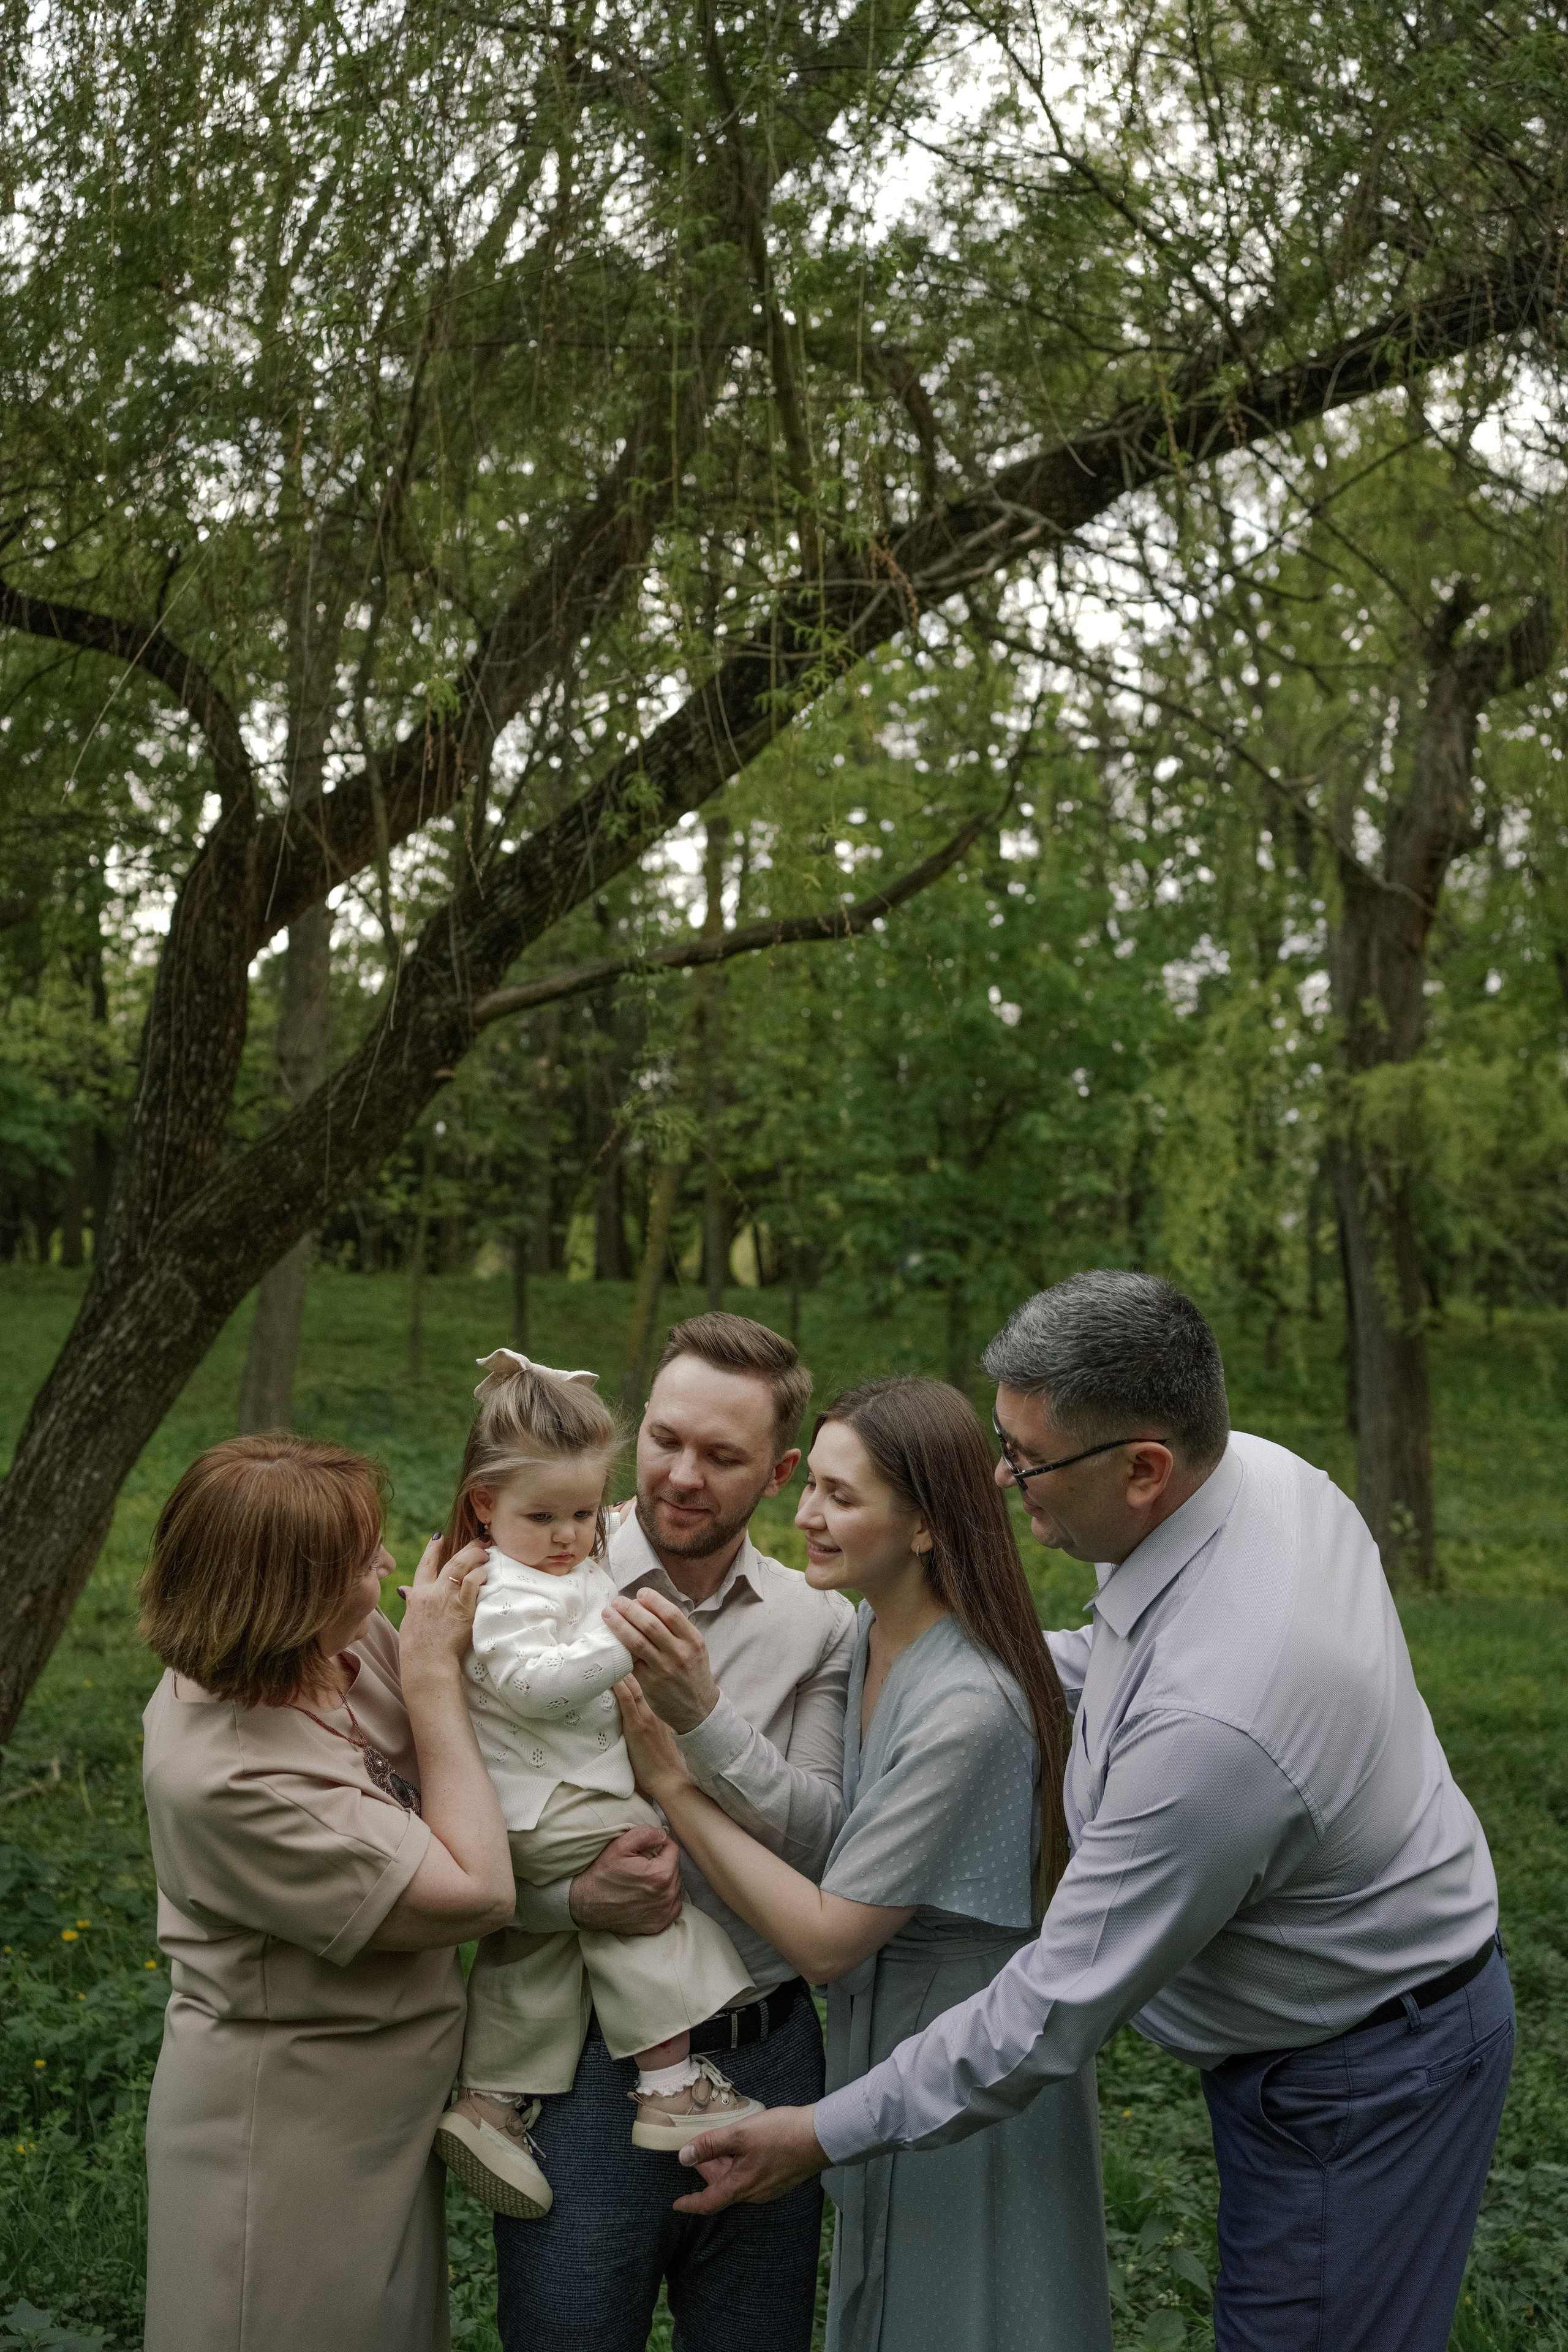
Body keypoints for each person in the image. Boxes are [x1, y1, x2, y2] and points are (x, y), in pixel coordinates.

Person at [675, 1273, 1512, 2352]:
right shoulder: (1261, 1475)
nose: (999, 1475)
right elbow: (1116, 1664)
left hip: (1364, 2067)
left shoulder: (1217, 1730)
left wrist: (821, 2134)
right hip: (1335, 2012)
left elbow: (1049, 2008)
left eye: (1026, 1458)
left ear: (1145, 1468)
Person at [616, 1376, 1114, 2352]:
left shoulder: (967, 1705)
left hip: (967, 2049)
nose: (806, 1515)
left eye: (842, 1498)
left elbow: (825, 1938)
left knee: (961, 2317)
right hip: (887, 2038)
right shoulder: (871, 1632)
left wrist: (677, 1782)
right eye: (813, 1489)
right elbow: (835, 1832)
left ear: (926, 1526)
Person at [480, 1311, 857, 2352]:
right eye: (665, 1440)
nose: (683, 1475)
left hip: (767, 2051)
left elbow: (824, 1840)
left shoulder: (818, 1624)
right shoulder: (523, 1570)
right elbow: (446, 1820)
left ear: (779, 1474)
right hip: (586, 2064)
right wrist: (565, 1900)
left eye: (723, 1456)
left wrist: (703, 1716)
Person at [138, 1432, 516, 2352]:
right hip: (284, 2141)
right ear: (286, 1596)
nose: (387, 1567)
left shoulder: (332, 1648)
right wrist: (430, 1675)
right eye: (360, 1561)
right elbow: (476, 1893)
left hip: (380, 2118)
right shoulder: (228, 1776)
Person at [435, 1351, 763, 2216]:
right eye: (541, 1516)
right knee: (650, 1886)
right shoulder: (502, 1591)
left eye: (582, 1514)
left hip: (544, 1800)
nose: (567, 1536)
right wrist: (626, 1644)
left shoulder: (559, 1564)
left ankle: (491, 2101)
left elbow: (588, 1558)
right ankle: (670, 2082)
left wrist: (596, 1554)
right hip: (554, 1802)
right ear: (483, 1506)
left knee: (540, 1946)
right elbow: (533, 1684)